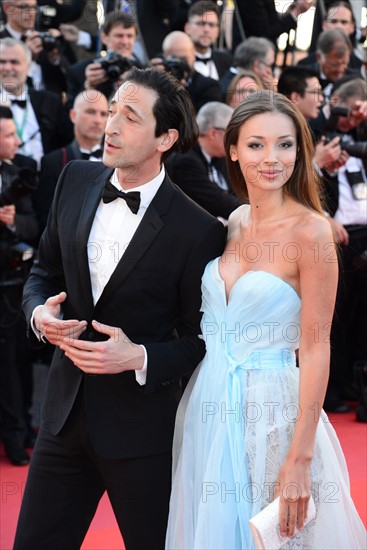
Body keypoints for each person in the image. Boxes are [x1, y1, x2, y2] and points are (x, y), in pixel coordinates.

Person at [13, 67, 226, 550]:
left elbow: (202, 340)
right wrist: (38, 315)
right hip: (62, 419)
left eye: (129, 118)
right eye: (111, 112)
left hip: (142, 434)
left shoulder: (197, 230)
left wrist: (140, 357)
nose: (110, 126)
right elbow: (42, 273)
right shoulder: (74, 179)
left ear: (165, 138)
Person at [165, 90, 367, 548]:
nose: (271, 158)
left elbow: (316, 347)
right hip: (209, 405)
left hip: (274, 411)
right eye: (256, 145)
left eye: (285, 144)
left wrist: (300, 454)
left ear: (301, 151)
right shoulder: (235, 221)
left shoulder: (311, 231)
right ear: (232, 150)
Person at [0, 105, 39, 465]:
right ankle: (10, 436)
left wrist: (13, 223)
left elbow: (36, 222)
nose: (17, 140)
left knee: (21, 362)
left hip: (17, 285)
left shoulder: (22, 169)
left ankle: (25, 429)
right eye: (9, 134)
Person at [34, 90, 109, 232]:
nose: (98, 120)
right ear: (73, 115)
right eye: (90, 112)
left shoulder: (119, 162)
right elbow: (45, 219)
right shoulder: (53, 162)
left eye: (104, 114)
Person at [166, 101, 242, 220]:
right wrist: (251, 210)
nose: (235, 140)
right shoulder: (185, 161)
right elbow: (216, 200)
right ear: (213, 134)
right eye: (231, 134)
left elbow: (236, 191)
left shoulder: (219, 157)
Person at [184, 0, 232, 81]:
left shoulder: (227, 60)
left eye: (211, 25)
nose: (206, 29)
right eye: (201, 23)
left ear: (218, 31)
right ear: (187, 28)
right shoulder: (177, 60)